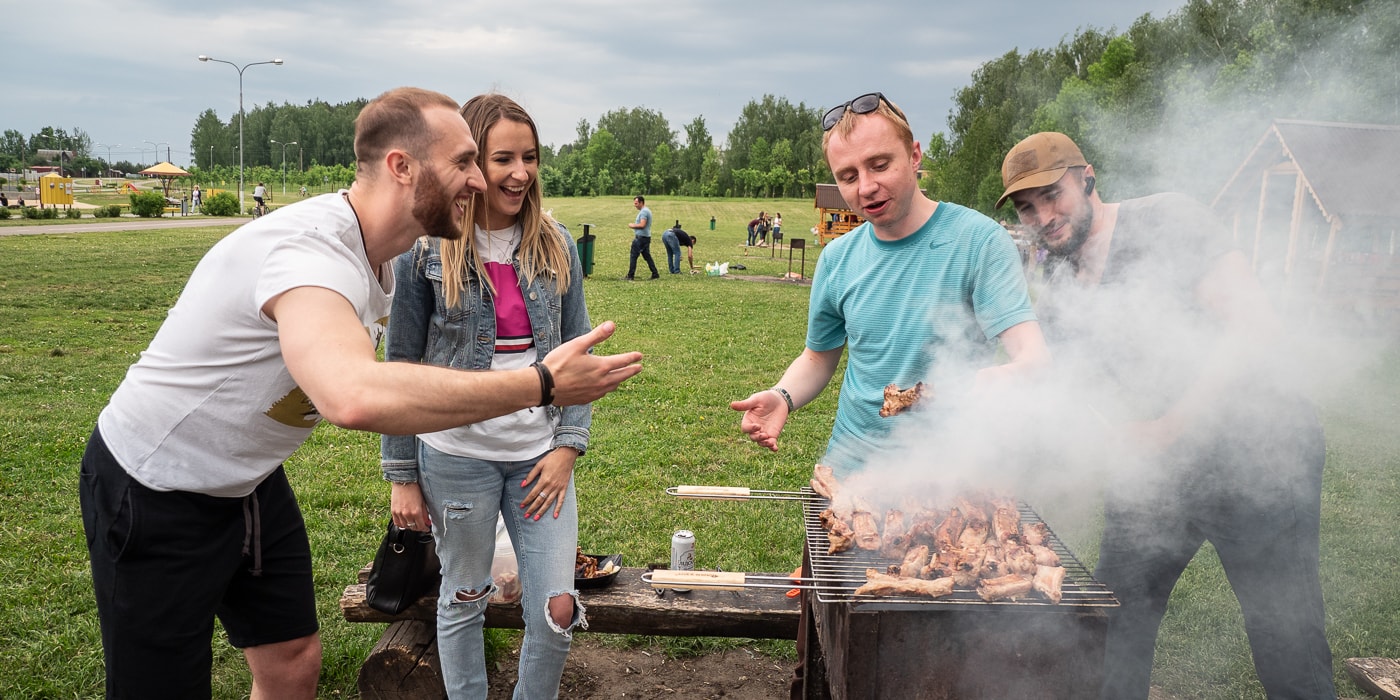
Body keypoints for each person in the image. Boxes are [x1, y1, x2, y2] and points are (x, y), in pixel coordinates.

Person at [77, 87, 644, 700]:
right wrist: (541, 385)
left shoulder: (388, 253)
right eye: (464, 162)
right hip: (155, 488)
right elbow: (351, 395)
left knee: (293, 660)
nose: (481, 181)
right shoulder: (309, 253)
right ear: (403, 167)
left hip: (251, 484)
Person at [999, 131, 1336, 700]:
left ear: (1087, 178)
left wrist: (1172, 426)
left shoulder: (1167, 220)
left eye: (1052, 196)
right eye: (1028, 209)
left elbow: (1256, 326)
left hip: (1262, 458)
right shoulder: (1058, 278)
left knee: (1287, 644)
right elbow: (1059, 386)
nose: (1044, 217)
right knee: (1113, 624)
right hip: (1159, 472)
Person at [382, 93, 593, 699]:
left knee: (555, 607)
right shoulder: (429, 249)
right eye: (503, 158)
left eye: (529, 158)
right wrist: (402, 472)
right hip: (454, 460)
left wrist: (567, 448)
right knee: (465, 595)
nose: (520, 173)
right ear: (472, 162)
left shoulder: (554, 244)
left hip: (539, 462)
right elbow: (401, 367)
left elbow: (576, 355)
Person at [731, 92, 1048, 473]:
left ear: (915, 156)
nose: (865, 188)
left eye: (879, 165)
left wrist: (1010, 377)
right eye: (848, 176)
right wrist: (782, 396)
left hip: (948, 476)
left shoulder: (979, 242)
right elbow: (818, 357)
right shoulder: (837, 258)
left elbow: (1032, 357)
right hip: (848, 472)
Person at [625, 194, 659, 280]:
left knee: (633, 256)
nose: (635, 205)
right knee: (647, 256)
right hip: (646, 237)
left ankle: (630, 275)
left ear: (641, 202)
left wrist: (632, 225)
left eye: (636, 203)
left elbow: (642, 225)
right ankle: (655, 273)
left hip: (641, 238)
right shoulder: (647, 211)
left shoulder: (644, 212)